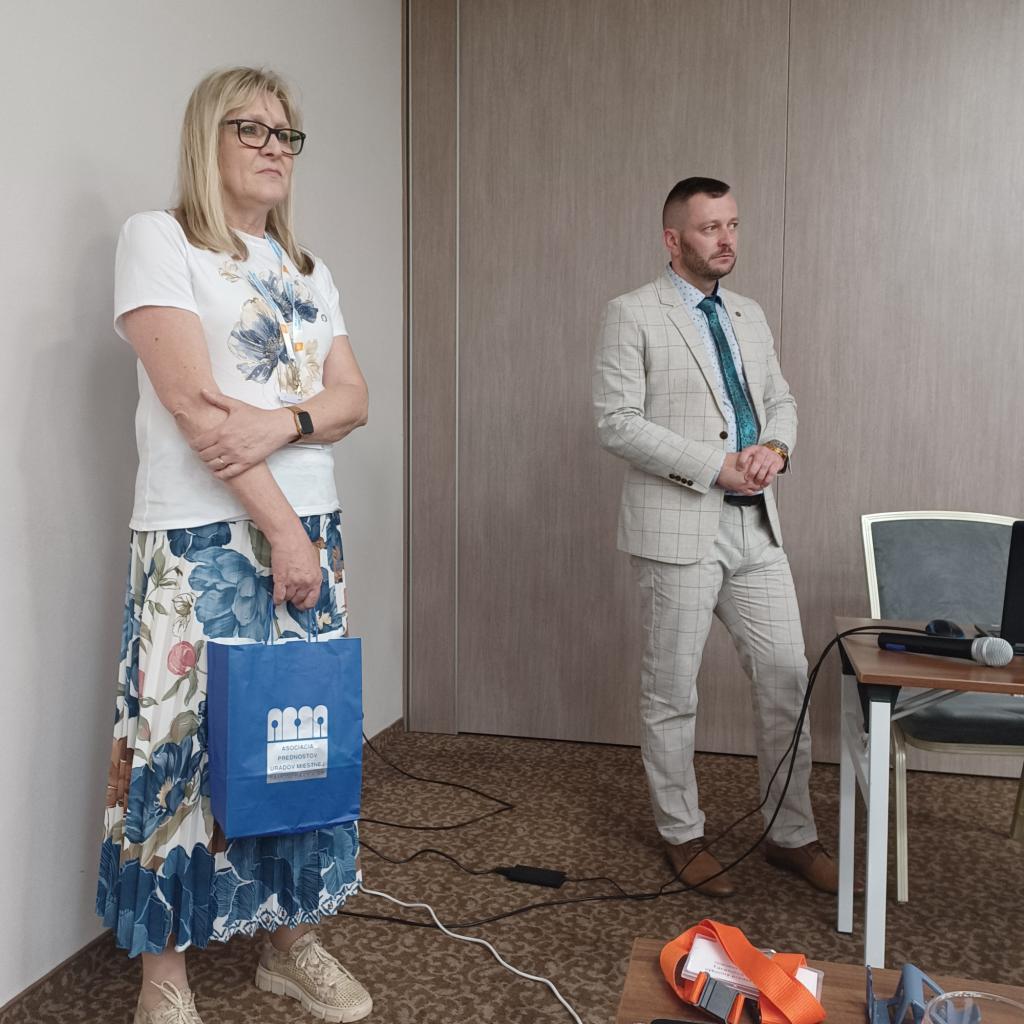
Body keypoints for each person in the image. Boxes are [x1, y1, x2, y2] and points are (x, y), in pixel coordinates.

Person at [96, 67, 373, 1023]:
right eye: (249, 128)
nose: (272, 146)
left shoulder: (308, 269)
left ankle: (288, 946)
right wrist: (282, 526)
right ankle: (164, 980)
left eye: (286, 134)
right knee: (179, 751)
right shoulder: (158, 239)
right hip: (199, 537)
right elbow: (193, 406)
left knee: (293, 743)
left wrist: (283, 423)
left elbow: (354, 399)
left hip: (311, 530)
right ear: (205, 138)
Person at [593, 176, 840, 897]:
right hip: (678, 526)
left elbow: (780, 399)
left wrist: (776, 449)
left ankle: (791, 834)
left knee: (787, 677)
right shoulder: (631, 313)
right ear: (673, 239)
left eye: (732, 224)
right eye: (710, 228)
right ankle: (683, 834)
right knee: (673, 690)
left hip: (756, 525)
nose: (727, 239)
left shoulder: (750, 315)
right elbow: (616, 422)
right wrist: (714, 466)